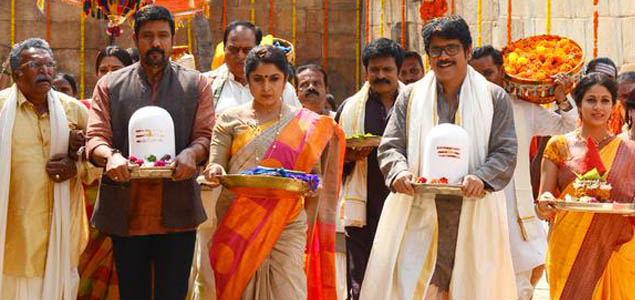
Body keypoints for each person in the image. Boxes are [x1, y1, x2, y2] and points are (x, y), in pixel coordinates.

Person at [361, 16, 518, 300]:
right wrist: (398, 172)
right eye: (436, 50)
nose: (443, 57)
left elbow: (505, 151)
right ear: (427, 55)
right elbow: (391, 145)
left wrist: (481, 177)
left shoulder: (495, 97)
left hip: (473, 210)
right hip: (418, 207)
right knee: (411, 288)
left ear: (468, 52)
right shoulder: (410, 97)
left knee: (470, 288)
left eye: (451, 49)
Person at [85, 6, 213, 300]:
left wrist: (192, 155)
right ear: (135, 38)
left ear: (172, 38)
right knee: (133, 293)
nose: (156, 43)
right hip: (128, 211)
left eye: (162, 36)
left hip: (178, 208)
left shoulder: (195, 84)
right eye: (148, 36)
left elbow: (205, 136)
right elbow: (96, 138)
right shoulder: (110, 85)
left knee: (173, 293)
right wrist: (110, 157)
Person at [203, 45, 344, 300]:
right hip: (237, 219)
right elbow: (216, 164)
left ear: (285, 81)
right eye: (258, 79)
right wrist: (214, 171)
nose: (266, 87)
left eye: (274, 79)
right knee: (238, 289)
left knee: (287, 289)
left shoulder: (304, 122)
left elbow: (313, 174)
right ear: (247, 81)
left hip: (287, 221)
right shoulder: (228, 120)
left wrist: (315, 185)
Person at [470, 45, 577, 300]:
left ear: (502, 74)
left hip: (512, 207)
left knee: (520, 283)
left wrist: (562, 98)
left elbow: (566, 126)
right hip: (475, 202)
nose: (482, 81)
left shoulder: (521, 108)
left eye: (488, 73)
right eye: (475, 75)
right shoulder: (459, 109)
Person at [0, 38, 100, 299]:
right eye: (35, 64)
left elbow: (100, 160)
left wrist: (76, 166)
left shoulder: (75, 112)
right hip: (13, 242)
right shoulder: (1, 110)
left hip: (62, 241)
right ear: (16, 73)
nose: (45, 70)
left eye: (49, 64)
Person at [536, 73, 635, 299]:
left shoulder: (629, 151)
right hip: (568, 250)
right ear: (579, 104)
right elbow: (543, 202)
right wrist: (545, 203)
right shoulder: (558, 145)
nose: (598, 107)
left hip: (617, 249)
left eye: (605, 100)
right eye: (591, 100)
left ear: (614, 106)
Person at [335, 37, 406, 300]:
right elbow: (333, 161)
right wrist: (350, 156)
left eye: (387, 69)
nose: (381, 75)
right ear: (366, 71)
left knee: (402, 278)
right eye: (374, 70)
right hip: (363, 209)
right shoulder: (350, 108)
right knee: (360, 281)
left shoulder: (415, 104)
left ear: (398, 71)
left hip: (404, 204)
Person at [77, 45, 133, 300]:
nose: (108, 76)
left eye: (116, 70)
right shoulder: (81, 110)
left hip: (133, 205)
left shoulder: (142, 111)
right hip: (90, 208)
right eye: (103, 70)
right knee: (87, 272)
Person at [205, 20, 300, 114]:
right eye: (233, 49)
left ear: (258, 50)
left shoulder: (281, 88)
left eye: (247, 50)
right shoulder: (206, 84)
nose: (240, 56)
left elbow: (298, 122)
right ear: (224, 49)